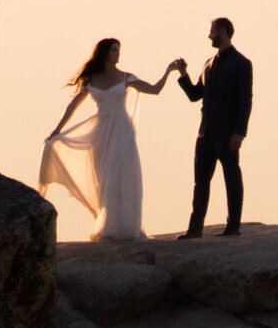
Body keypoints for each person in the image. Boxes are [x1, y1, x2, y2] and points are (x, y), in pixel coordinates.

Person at [40, 36, 173, 241]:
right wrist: (57, 130)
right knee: (104, 178)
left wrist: (168, 71)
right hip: (101, 132)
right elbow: (73, 105)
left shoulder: (126, 77)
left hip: (122, 130)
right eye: (114, 50)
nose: (118, 53)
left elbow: (154, 90)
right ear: (104, 53)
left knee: (124, 176)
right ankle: (109, 226)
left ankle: (128, 228)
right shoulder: (91, 79)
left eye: (118, 50)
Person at [174, 17, 252, 235]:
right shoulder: (208, 63)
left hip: (228, 134)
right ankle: (195, 228)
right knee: (200, 183)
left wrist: (239, 133)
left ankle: (233, 227)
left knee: (231, 178)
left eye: (212, 31)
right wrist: (183, 74)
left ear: (223, 31)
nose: (209, 36)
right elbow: (195, 95)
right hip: (205, 133)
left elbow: (246, 102)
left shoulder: (242, 64)